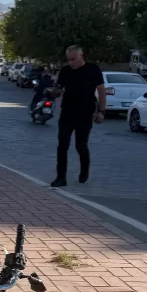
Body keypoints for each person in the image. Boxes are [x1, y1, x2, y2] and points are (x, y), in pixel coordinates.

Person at [50, 45, 105, 188]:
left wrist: (101, 111)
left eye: (73, 59)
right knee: (62, 145)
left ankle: (84, 171)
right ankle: (61, 177)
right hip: (67, 112)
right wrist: (55, 92)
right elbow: (59, 88)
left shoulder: (93, 69)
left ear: (81, 56)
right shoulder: (65, 71)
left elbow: (101, 91)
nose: (70, 62)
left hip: (85, 113)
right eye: (68, 59)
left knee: (80, 146)